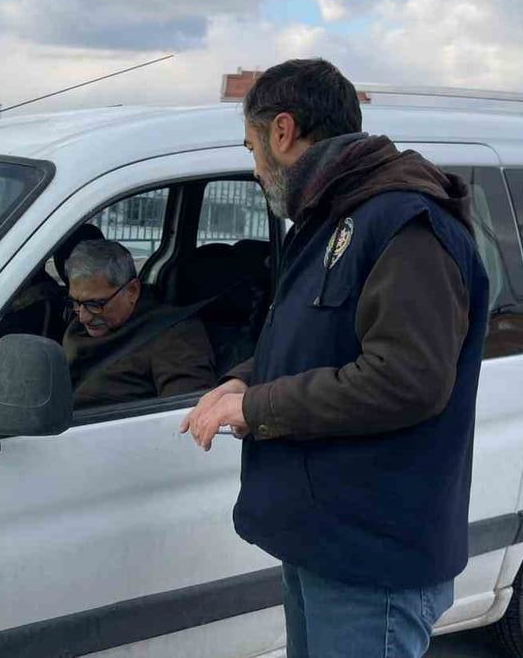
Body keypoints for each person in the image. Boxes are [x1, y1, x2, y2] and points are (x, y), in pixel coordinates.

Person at [180, 58, 489, 658]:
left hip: (370, 558)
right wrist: (241, 382)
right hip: (324, 539)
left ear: (282, 131)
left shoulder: (405, 224)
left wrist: (257, 408)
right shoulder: (333, 217)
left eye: (251, 148)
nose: (254, 167)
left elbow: (405, 380)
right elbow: (316, 337)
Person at [63, 240, 216, 408]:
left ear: (132, 291)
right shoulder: (79, 323)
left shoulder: (175, 336)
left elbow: (184, 415)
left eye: (95, 304)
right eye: (76, 303)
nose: (83, 317)